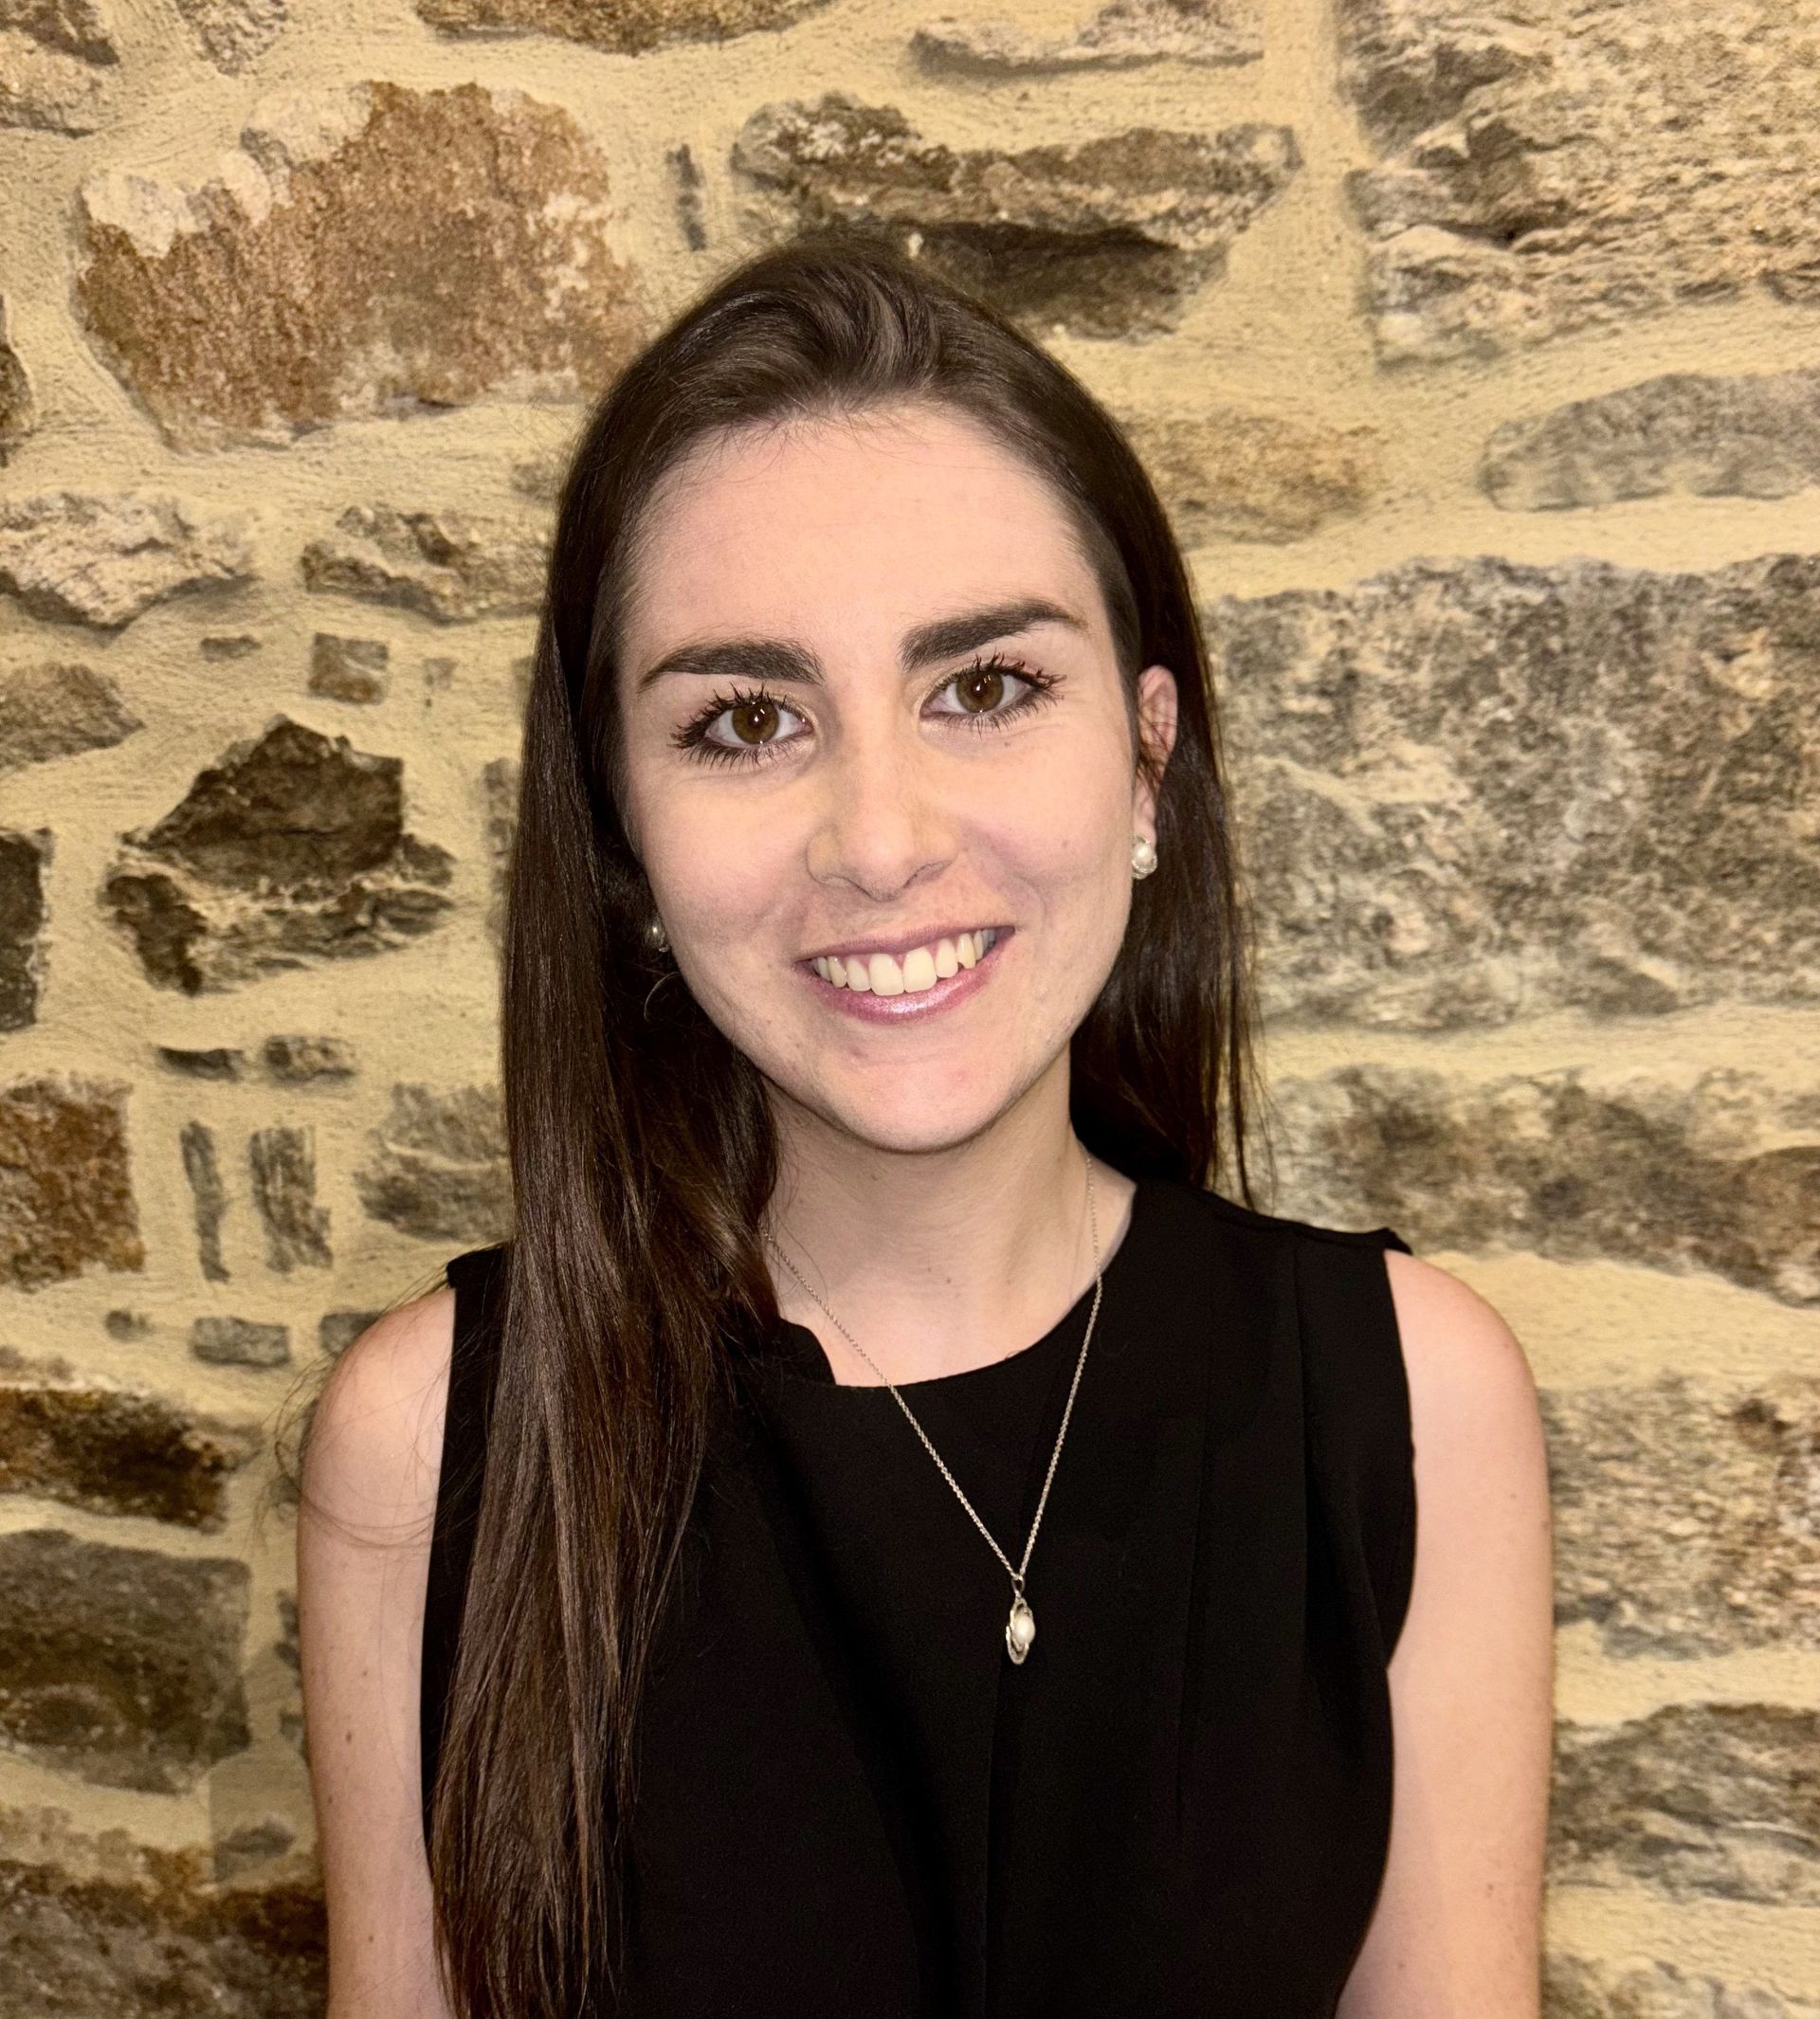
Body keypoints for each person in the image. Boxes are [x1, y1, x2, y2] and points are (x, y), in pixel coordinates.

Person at [294, 233, 1554, 2019]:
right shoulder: (433, 1448)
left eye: (984, 687)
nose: (878, 837)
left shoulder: (1412, 1401)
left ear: (1145, 756)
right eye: (745, 720)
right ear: (624, 842)